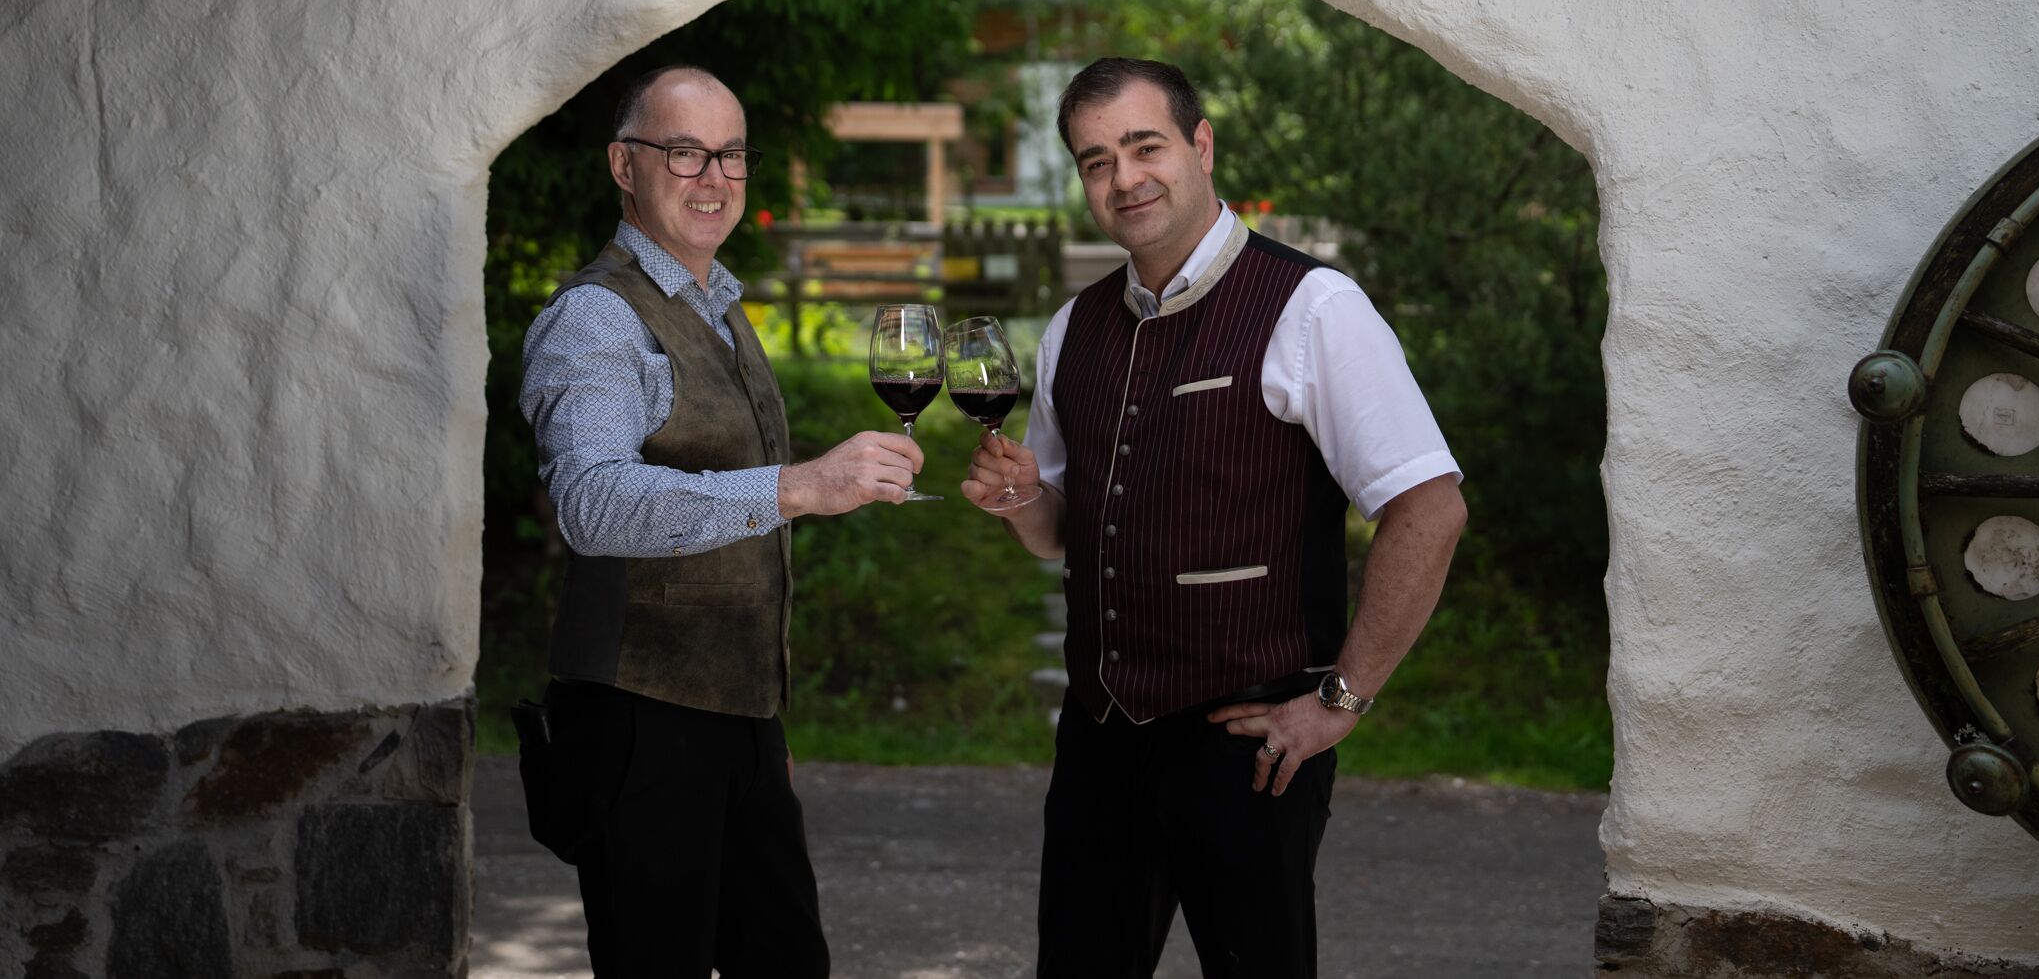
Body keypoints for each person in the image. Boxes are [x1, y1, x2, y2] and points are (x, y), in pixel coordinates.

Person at [963, 57, 1468, 979]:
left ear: (1200, 145)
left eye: (1144, 146)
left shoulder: (1313, 307)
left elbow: (1430, 507)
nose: (1124, 178)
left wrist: (1341, 701)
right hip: (1100, 737)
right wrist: (1021, 497)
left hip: (1251, 745)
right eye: (1096, 161)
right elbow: (1057, 533)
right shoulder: (1073, 328)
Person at [520, 64, 922, 978]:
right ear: (624, 165)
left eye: (732, 154)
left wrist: (759, 736)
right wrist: (796, 487)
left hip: (741, 723)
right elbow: (593, 505)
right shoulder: (596, 318)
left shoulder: (721, 306)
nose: (714, 177)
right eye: (685, 152)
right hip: (638, 726)